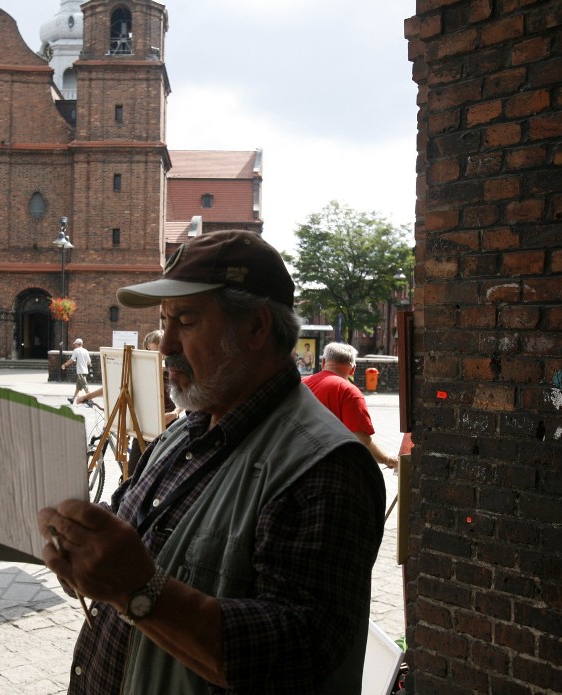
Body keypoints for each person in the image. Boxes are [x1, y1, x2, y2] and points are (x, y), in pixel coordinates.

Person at [38, 230, 386, 694]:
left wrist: (138, 590)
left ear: (257, 327)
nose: (165, 347)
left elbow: (301, 654)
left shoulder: (324, 468)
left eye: (185, 320)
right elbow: (115, 570)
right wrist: (82, 558)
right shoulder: (180, 434)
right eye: (165, 320)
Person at [303, 342, 399, 469]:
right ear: (353, 369)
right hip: (327, 467)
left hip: (294, 465)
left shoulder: (301, 383)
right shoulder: (349, 392)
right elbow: (361, 440)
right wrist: (387, 459)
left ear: (323, 362)